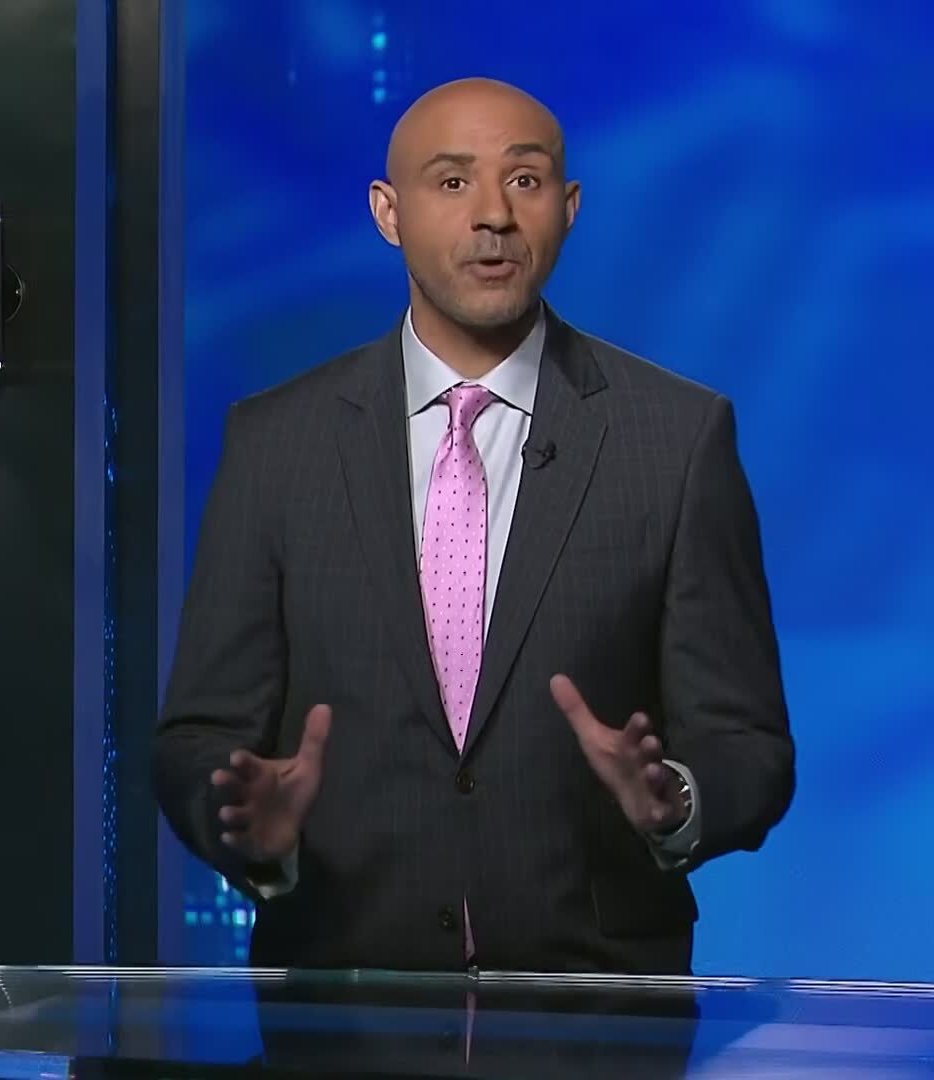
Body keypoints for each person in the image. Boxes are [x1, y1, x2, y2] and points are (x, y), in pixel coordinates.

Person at [154, 79, 795, 975]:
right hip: (346, 997)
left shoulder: (678, 439)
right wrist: (245, 826)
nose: (494, 215)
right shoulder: (276, 443)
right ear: (388, 213)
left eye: (525, 181)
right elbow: (196, 736)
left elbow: (749, 746)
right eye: (452, 182)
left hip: (596, 1008)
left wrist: (677, 799)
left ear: (569, 209)